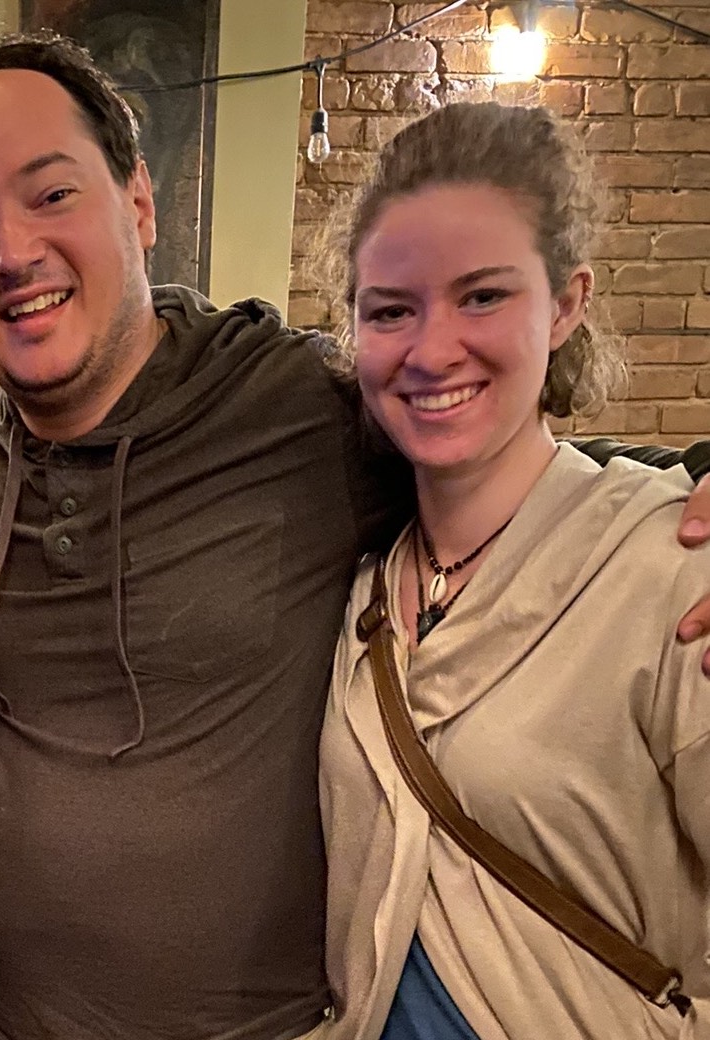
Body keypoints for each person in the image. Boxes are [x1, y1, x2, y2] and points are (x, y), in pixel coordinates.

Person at [0, 30, 710, 1040]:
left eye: (51, 194)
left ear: (138, 199)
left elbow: (498, 442)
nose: (11, 251)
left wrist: (693, 474)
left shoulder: (298, 406)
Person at [317, 102, 708, 1038]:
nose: (431, 348)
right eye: (390, 310)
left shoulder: (669, 573)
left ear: (566, 304)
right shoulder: (366, 588)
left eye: (482, 296)